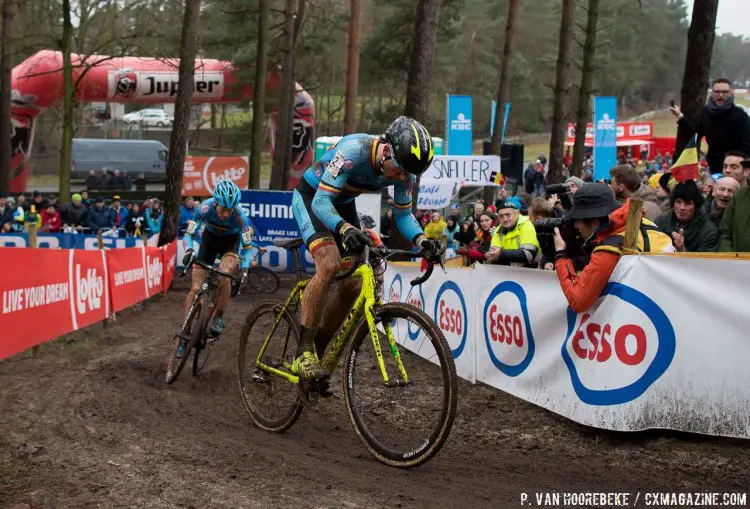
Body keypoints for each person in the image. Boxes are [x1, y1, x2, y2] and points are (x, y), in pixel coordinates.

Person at [290, 116, 442, 394]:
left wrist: (423, 240)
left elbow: (403, 215)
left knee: (354, 284)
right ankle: (302, 353)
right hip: (313, 199)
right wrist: (344, 228)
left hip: (342, 204)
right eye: (399, 169)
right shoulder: (353, 151)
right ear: (386, 150)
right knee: (329, 263)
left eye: (409, 173)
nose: (401, 177)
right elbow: (323, 202)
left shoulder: (404, 169)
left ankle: (318, 354)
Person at [553, 183, 674, 313]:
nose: (575, 225)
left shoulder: (608, 250)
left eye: (577, 220)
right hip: (668, 304)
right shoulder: (643, 222)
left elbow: (578, 301)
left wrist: (561, 255)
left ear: (595, 222)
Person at [181, 180, 258, 346]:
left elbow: (247, 247)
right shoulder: (205, 208)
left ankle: (219, 316)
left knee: (225, 275)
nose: (226, 214)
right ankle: (185, 331)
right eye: (223, 209)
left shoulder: (239, 217)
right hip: (209, 242)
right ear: (215, 202)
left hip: (229, 244)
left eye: (230, 210)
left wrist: (244, 269)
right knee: (195, 288)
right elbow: (189, 233)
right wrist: (189, 249)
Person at [670, 78, 750, 173]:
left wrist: (737, 159)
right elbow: (695, 134)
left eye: (724, 92)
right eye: (717, 92)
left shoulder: (740, 115)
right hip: (715, 165)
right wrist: (680, 116)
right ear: (712, 93)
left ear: (730, 93)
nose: (720, 95)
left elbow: (747, 142)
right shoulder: (706, 113)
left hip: (735, 166)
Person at [655, 180, 718, 252]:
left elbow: (705, 261)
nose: (682, 208)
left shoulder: (709, 231)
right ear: (673, 204)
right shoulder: (661, 221)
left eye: (688, 203)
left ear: (696, 206)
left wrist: (683, 250)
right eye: (678, 202)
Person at [485, 200, 540, 267]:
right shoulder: (498, 230)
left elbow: (528, 255)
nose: (505, 219)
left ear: (517, 214)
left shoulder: (526, 225)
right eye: (501, 216)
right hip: (508, 270)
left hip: (530, 270)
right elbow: (493, 257)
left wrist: (501, 254)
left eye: (508, 215)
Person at [718, 176, 750, 252]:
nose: (725, 194)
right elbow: (725, 234)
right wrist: (730, 260)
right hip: (738, 262)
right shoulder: (739, 196)